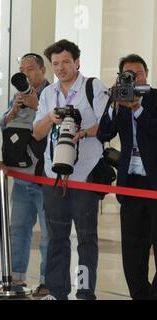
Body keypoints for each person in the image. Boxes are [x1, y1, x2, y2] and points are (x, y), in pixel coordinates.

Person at [33, 39, 110, 300]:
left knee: (86, 239)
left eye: (66, 62)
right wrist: (50, 118)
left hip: (84, 175)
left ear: (77, 61)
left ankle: (85, 292)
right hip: (53, 174)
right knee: (56, 237)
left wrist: (83, 132)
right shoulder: (47, 94)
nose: (61, 68)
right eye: (56, 64)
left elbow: (107, 126)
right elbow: (36, 132)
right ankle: (57, 291)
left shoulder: (92, 87)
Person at [98, 54, 157, 300]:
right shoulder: (118, 99)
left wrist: (138, 109)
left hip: (155, 184)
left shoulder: (155, 98)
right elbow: (103, 133)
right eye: (127, 75)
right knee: (132, 251)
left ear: (146, 75)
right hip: (130, 185)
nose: (132, 78)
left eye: (137, 73)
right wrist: (114, 105)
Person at [0, 53, 50, 297]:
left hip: (44, 174)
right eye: (22, 69)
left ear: (42, 70)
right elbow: (4, 123)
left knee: (48, 234)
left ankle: (46, 281)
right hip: (21, 174)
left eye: (30, 68)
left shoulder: (52, 93)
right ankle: (15, 280)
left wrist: (35, 104)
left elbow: (57, 122)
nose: (25, 73)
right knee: (17, 229)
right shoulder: (19, 95)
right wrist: (15, 109)